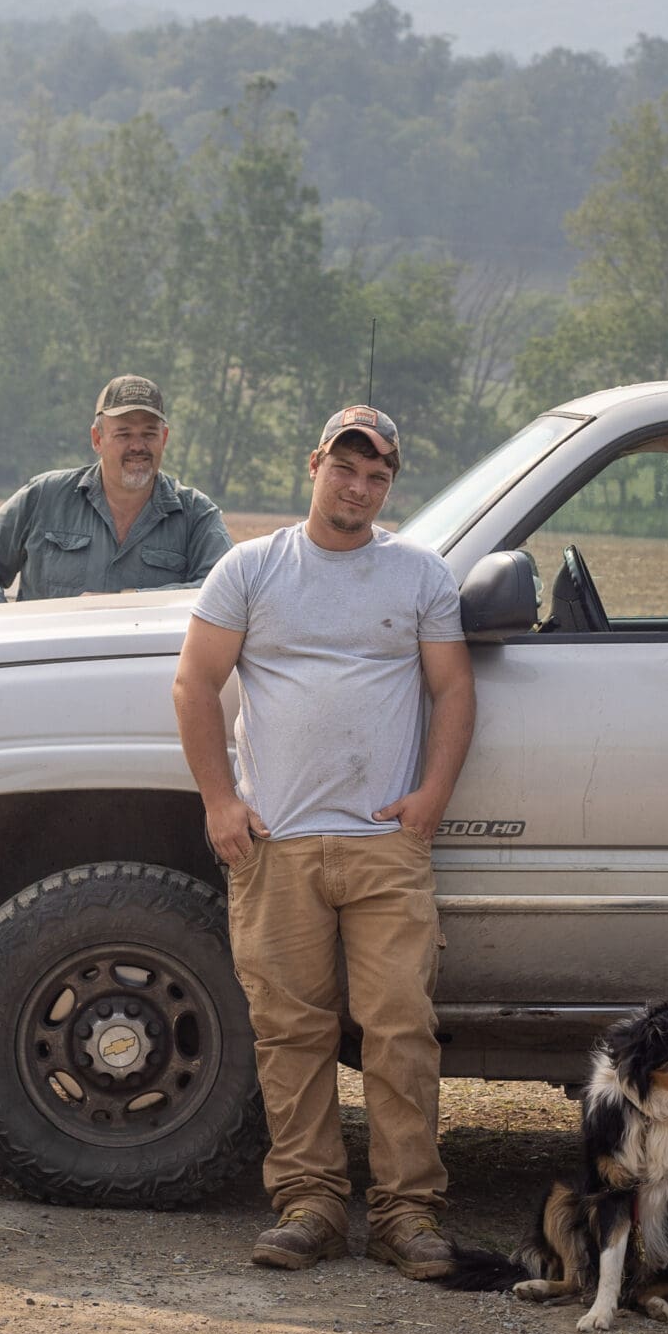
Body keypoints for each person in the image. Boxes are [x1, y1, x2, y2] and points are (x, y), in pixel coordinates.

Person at [171, 404, 476, 1280]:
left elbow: (453, 691)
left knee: (401, 1028)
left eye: (377, 475)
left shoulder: (418, 573)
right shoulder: (251, 569)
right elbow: (196, 685)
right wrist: (220, 803)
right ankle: (308, 1203)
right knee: (291, 1032)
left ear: (389, 485)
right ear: (315, 465)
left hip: (386, 843)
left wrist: (430, 801)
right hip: (277, 841)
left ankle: (407, 1212)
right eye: (346, 468)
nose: (359, 486)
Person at [0, 374, 230, 603]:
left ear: (164, 438)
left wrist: (128, 600)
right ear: (97, 439)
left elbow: (227, 588)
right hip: (46, 664)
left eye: (149, 434)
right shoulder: (45, 496)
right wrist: (3, 623)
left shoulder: (196, 513)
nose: (138, 446)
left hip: (147, 668)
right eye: (123, 434)